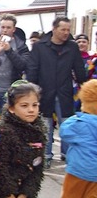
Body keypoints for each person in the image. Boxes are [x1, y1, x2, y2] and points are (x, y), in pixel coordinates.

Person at [26, 17, 87, 167]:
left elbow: (79, 69)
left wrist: (85, 86)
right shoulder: (40, 47)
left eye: (68, 30)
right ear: (54, 29)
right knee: (45, 125)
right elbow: (32, 70)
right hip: (43, 92)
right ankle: (46, 155)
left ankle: (67, 155)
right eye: (63, 30)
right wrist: (32, 91)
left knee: (67, 125)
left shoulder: (72, 47)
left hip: (64, 92)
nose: (66, 33)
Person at [46, 79, 97, 198]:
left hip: (78, 168)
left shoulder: (79, 122)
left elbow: (64, 132)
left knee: (70, 194)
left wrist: (77, 116)